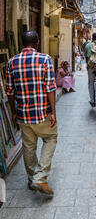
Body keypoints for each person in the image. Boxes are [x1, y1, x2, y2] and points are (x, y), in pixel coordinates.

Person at [6, 31, 57, 197]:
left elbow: (10, 91)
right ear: (37, 43)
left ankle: (32, 178)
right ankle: (40, 177)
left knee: (28, 146)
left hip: (23, 113)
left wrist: (14, 112)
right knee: (50, 138)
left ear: (23, 43)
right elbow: (50, 87)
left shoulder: (11, 62)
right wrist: (53, 112)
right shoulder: (44, 59)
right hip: (41, 112)